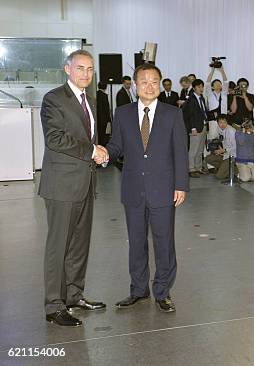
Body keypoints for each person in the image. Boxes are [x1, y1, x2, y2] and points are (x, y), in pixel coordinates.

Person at [105, 63, 188, 313]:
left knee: (164, 242)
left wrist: (181, 185)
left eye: (154, 82)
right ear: (135, 85)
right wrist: (103, 154)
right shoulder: (123, 113)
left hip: (164, 189)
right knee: (136, 242)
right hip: (133, 189)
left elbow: (180, 152)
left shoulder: (172, 114)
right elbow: (116, 146)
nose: (149, 86)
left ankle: (162, 291)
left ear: (160, 85)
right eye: (144, 82)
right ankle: (138, 290)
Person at [39, 49, 107, 327]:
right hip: (62, 185)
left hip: (85, 183)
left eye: (90, 69)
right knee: (59, 246)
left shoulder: (89, 100)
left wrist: (97, 152)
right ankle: (54, 305)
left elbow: (88, 137)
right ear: (67, 69)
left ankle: (74, 295)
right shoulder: (54, 98)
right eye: (80, 68)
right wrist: (92, 151)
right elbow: (55, 138)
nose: (86, 74)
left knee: (79, 244)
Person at [185, 79, 208, 178]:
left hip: (203, 126)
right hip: (195, 127)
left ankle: (198, 168)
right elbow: (190, 115)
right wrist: (192, 128)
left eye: (202, 86)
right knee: (193, 149)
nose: (201, 89)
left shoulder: (201, 98)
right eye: (199, 87)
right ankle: (191, 169)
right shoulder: (191, 99)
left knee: (200, 149)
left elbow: (204, 112)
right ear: (194, 88)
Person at [205, 114, 237, 180]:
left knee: (219, 176)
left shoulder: (231, 131)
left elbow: (236, 147)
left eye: (224, 122)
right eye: (220, 122)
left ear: (227, 122)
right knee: (208, 158)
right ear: (217, 123)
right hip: (225, 154)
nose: (222, 124)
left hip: (233, 156)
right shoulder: (219, 129)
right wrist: (218, 150)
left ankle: (235, 170)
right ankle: (225, 168)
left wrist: (224, 150)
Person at [96, 81, 112, 146]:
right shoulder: (104, 96)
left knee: (98, 134)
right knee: (103, 135)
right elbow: (106, 109)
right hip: (104, 119)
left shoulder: (95, 94)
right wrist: (109, 120)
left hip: (97, 118)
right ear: (105, 87)